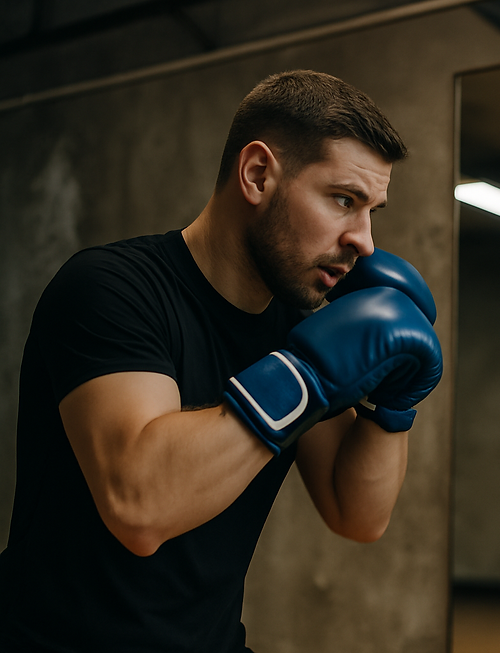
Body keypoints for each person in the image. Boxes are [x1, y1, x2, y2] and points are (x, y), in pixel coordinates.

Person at [0, 70, 444, 652]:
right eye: (344, 200)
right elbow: (139, 506)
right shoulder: (109, 289)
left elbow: (356, 514)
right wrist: (306, 376)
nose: (363, 239)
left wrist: (393, 404)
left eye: (372, 211)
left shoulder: (295, 326)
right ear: (257, 175)